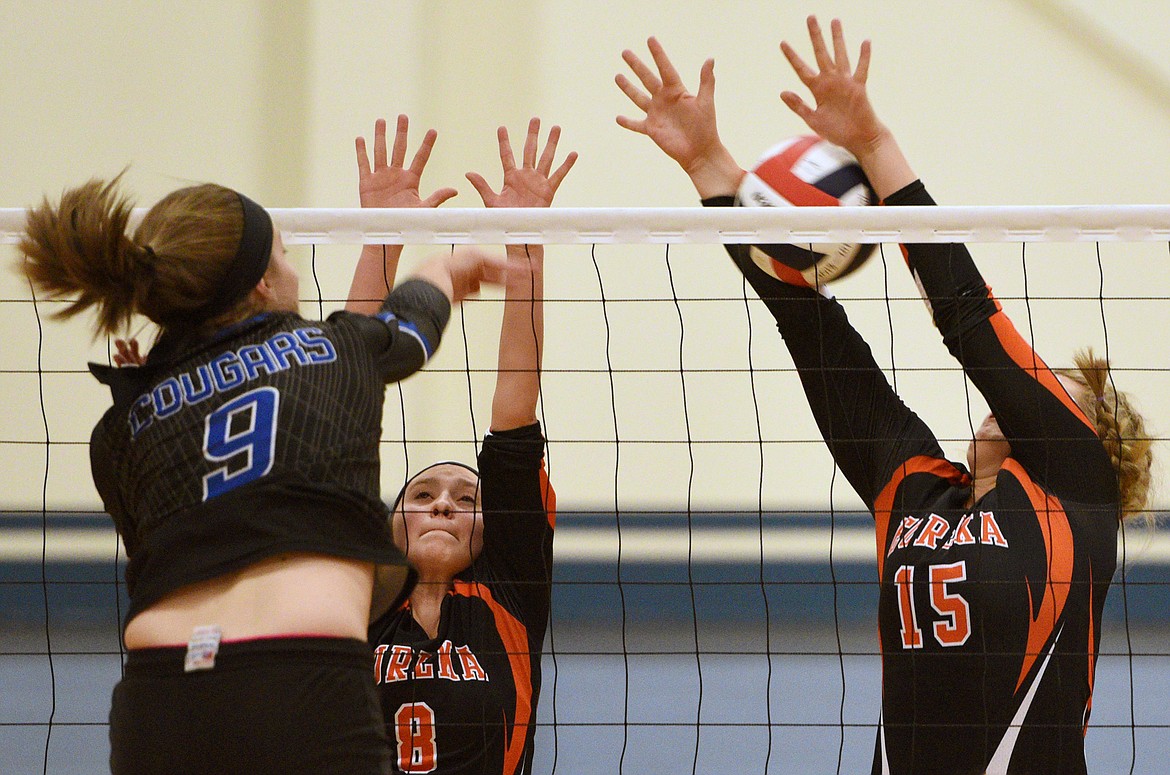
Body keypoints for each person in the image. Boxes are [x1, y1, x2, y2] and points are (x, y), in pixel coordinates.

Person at [616, 16, 1153, 775]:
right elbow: (813, 333)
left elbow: (968, 318)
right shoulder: (915, 493)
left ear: (1094, 440)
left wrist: (877, 148)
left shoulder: (1077, 489)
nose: (1031, 389)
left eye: (1061, 396)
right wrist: (714, 170)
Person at [17, 122, 508, 775]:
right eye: (282, 250)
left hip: (158, 692)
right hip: (297, 680)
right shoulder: (332, 351)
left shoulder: (123, 424)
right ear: (257, 285)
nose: (290, 265)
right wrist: (444, 269)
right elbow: (407, 330)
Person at [363, 117, 575, 775]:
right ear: (390, 524)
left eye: (465, 497)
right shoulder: (357, 607)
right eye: (422, 495)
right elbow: (348, 392)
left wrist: (526, 245)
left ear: (495, 529)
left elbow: (514, 410)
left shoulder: (508, 591)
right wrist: (380, 239)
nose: (444, 506)